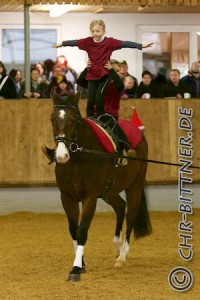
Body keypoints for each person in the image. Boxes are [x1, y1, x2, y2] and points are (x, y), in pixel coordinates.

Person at [52, 19, 153, 117]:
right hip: (92, 74)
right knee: (90, 100)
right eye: (93, 31)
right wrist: (61, 44)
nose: (95, 33)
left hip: (104, 74)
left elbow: (125, 43)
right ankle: (90, 118)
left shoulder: (109, 42)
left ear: (104, 31)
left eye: (98, 31)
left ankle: (101, 118)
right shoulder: (87, 41)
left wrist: (141, 46)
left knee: (99, 98)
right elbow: (75, 42)